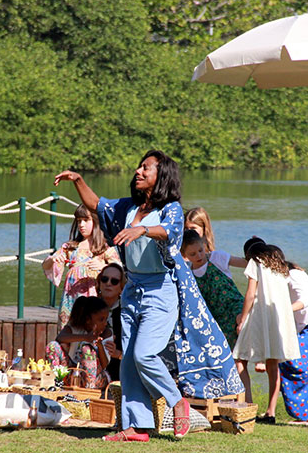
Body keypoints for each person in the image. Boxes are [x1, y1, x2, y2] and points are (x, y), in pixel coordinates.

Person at [54, 150, 243, 443]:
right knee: (128, 361)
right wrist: (77, 180)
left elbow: (170, 232)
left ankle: (176, 401)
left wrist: (142, 229)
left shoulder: (172, 209)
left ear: (161, 176)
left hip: (160, 289)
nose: (138, 171)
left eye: (146, 168)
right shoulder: (128, 207)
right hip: (132, 290)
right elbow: (96, 204)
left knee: (144, 354)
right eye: (139, 167)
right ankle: (138, 427)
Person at [232, 242, 300, 424]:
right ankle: (271, 412)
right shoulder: (280, 267)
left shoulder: (255, 262)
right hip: (278, 319)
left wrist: (243, 319)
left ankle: (248, 405)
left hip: (259, 316)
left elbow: (251, 294)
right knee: (272, 365)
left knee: (239, 359)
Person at [42, 204, 120, 328]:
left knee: (91, 330)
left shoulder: (104, 248)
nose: (81, 225)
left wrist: (103, 267)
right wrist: (52, 259)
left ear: (96, 221)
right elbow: (46, 266)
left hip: (93, 299)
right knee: (69, 332)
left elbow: (118, 269)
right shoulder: (71, 247)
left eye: (86, 220)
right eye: (79, 221)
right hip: (70, 299)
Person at [279, 261, 308, 422]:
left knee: (293, 361)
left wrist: (283, 309)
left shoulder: (293, 275)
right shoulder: (293, 275)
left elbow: (305, 299)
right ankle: (305, 415)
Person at [181, 229, 245, 346]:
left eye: (200, 250)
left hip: (235, 306)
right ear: (184, 255)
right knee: (229, 353)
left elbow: (244, 263)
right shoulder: (188, 272)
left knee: (242, 332)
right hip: (216, 318)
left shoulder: (217, 257)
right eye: (192, 254)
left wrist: (256, 252)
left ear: (203, 245)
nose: (199, 255)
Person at [45, 296, 111, 389]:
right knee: (52, 346)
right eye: (101, 320)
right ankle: (57, 383)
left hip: (97, 379)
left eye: (106, 319)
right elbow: (60, 338)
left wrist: (99, 346)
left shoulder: (106, 333)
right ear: (88, 320)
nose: (105, 323)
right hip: (74, 375)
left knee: (87, 349)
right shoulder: (75, 329)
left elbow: (104, 364)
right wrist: (86, 338)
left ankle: (88, 391)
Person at [96, 263, 125, 381]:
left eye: (114, 281)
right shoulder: (88, 306)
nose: (108, 283)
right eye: (104, 279)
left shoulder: (127, 312)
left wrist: (118, 354)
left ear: (122, 287)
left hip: (119, 369)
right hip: (88, 361)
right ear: (99, 283)